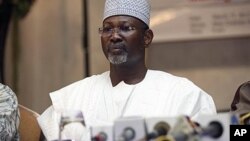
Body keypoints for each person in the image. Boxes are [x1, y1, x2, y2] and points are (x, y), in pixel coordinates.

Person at [37, 0, 217, 140]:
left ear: (147, 37)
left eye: (126, 28)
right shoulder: (74, 97)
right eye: (107, 29)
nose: (114, 36)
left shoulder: (182, 95)